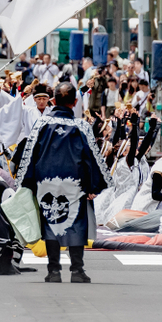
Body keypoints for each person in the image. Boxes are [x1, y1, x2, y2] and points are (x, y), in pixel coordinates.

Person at [18, 83, 110, 284]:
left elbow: (28, 156)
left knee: (50, 224)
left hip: (45, 184)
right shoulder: (82, 126)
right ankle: (77, 270)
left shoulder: (41, 124)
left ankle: (53, 271)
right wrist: (93, 186)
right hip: (74, 184)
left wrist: (27, 184)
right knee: (76, 224)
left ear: (53, 101)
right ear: (75, 102)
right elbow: (92, 158)